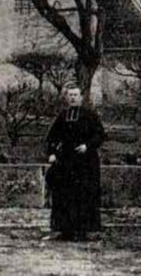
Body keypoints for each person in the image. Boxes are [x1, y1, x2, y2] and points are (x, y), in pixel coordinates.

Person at [45, 89, 105, 241]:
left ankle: (84, 231)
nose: (72, 98)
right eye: (70, 95)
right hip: (66, 162)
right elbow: (52, 137)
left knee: (84, 195)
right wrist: (51, 153)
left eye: (75, 95)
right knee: (64, 196)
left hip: (86, 163)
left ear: (81, 97)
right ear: (66, 97)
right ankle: (63, 230)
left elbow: (100, 134)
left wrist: (87, 146)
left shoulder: (90, 115)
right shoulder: (63, 116)